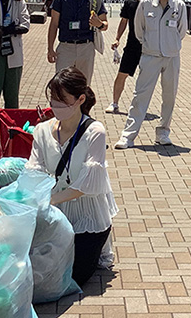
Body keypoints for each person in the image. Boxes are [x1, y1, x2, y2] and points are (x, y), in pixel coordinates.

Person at [28, 67, 119, 286]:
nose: (55, 106)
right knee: (38, 271)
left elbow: (88, 185)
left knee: (73, 276)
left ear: (80, 99)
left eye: (62, 101)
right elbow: (33, 169)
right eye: (53, 100)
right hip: (53, 212)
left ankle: (96, 249)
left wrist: (49, 199)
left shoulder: (94, 131)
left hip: (87, 216)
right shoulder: (41, 130)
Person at [114, 0, 187, 149]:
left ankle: (163, 133)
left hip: (171, 56)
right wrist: (149, 44)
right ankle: (128, 136)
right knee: (140, 95)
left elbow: (182, 31)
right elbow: (139, 30)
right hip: (150, 55)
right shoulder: (145, 4)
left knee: (169, 96)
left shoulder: (179, 5)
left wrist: (170, 45)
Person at [47, 0, 108, 83]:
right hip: (65, 47)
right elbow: (53, 24)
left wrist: (99, 24)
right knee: (62, 85)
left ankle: (81, 103)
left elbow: (105, 24)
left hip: (86, 47)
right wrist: (50, 48)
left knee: (83, 85)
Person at [107, 0, 152, 113]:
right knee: (122, 74)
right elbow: (123, 21)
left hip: (149, 46)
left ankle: (141, 106)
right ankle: (114, 103)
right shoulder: (130, 3)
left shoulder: (155, 5)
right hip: (132, 44)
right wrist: (117, 39)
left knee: (147, 78)